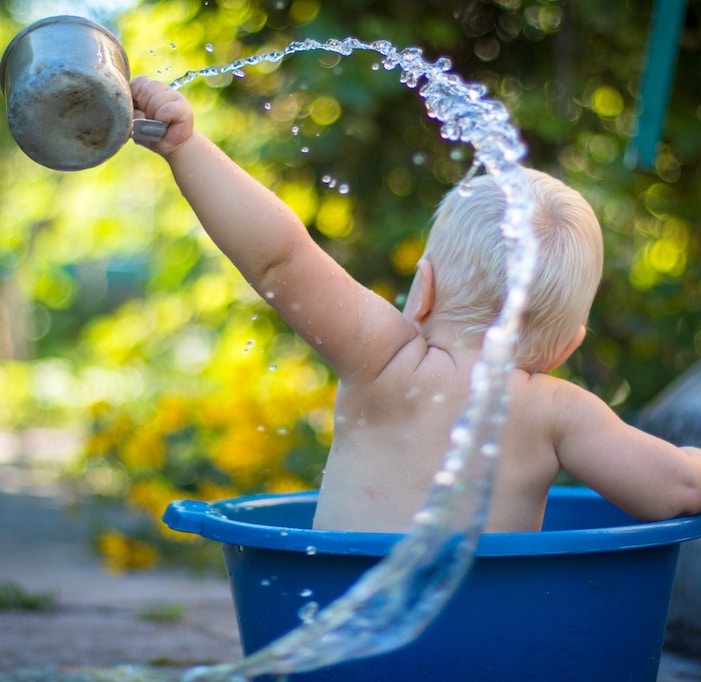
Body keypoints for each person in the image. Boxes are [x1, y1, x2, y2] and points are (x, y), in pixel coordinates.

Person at [130, 76, 701, 534]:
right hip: (488, 649)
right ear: (569, 344)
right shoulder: (560, 412)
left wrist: (187, 147)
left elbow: (280, 258)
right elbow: (678, 488)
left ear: (422, 290)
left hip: (346, 632)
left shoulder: (385, 361)